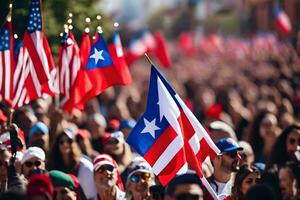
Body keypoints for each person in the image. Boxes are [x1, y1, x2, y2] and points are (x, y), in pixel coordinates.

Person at [47, 130, 97, 199]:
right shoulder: (52, 164)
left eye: (69, 141)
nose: (65, 144)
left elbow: (91, 196)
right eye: (61, 142)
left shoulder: (84, 166)